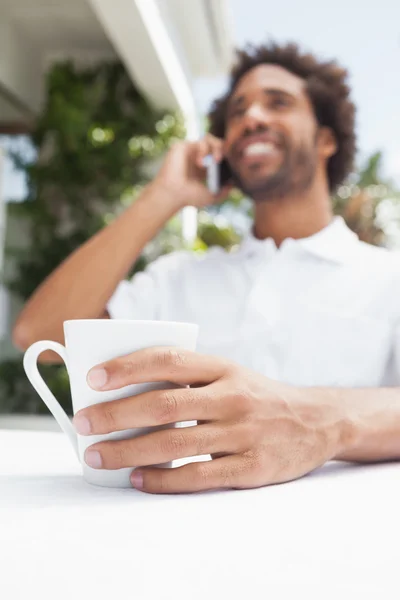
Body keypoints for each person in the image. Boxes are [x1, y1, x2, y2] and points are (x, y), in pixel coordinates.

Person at [13, 42, 400, 494]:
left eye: (278, 102)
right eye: (238, 111)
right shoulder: (178, 276)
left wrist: (324, 421)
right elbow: (39, 336)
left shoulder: (387, 277)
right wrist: (165, 194)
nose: (251, 117)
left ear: (326, 139)